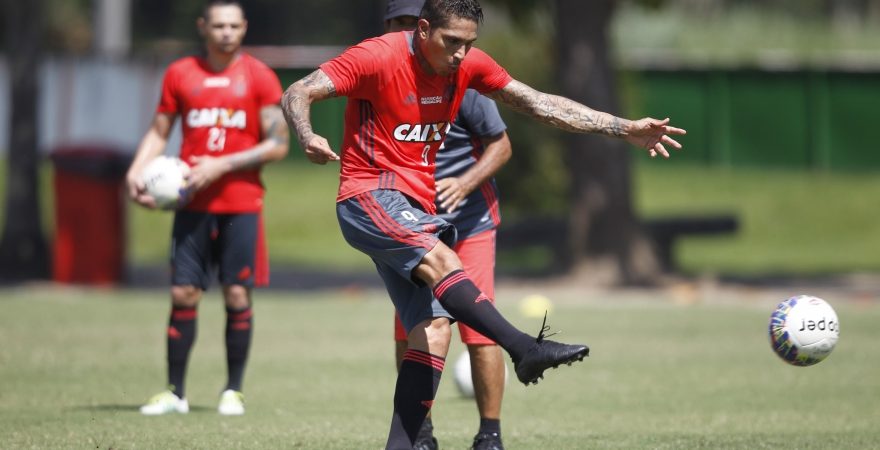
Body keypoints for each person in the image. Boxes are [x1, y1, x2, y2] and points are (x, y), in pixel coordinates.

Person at [281, 0, 684, 447]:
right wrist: (306, 134)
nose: (459, 53)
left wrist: (621, 128)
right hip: (369, 194)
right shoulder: (376, 56)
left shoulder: (468, 66)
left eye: (468, 44)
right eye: (451, 41)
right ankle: (524, 348)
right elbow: (297, 90)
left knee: (433, 332)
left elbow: (539, 103)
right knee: (443, 260)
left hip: (414, 208)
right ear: (422, 30)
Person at [125, 0, 289, 416]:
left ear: (244, 27)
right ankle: (175, 392)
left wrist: (222, 165)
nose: (226, 33)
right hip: (191, 204)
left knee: (236, 293)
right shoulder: (181, 74)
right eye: (218, 25)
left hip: (242, 204)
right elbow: (160, 131)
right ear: (204, 27)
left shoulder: (260, 77)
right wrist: (137, 170)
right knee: (183, 292)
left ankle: (232, 390)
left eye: (234, 25)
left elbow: (279, 143)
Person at [384, 1, 511, 449]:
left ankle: (489, 434)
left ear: (424, 29)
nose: (402, 34)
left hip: (470, 220)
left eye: (408, 24)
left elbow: (501, 145)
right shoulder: (380, 76)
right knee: (412, 330)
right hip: (413, 227)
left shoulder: (461, 79)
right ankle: (421, 434)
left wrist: (465, 181)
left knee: (481, 329)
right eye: (395, 24)